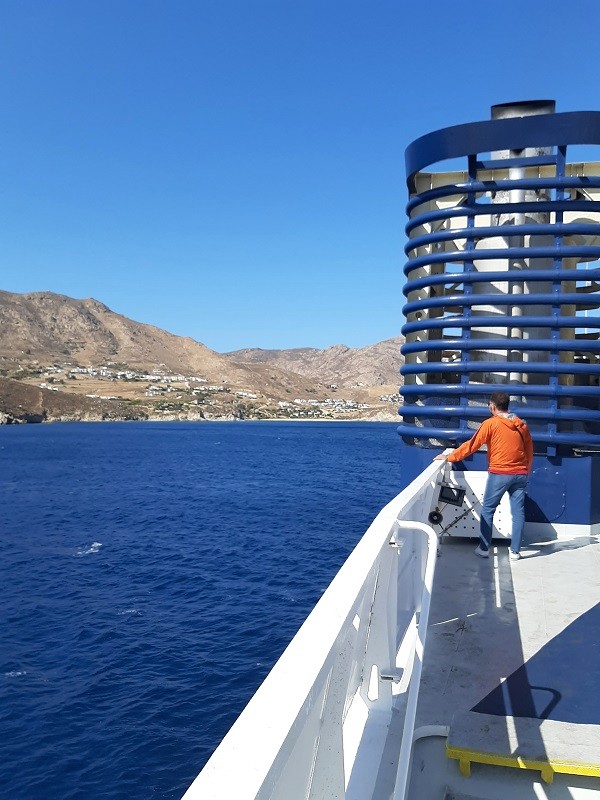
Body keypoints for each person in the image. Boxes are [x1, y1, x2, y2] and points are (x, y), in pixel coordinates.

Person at [434, 391, 533, 560]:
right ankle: (515, 551)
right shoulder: (521, 424)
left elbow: (472, 445)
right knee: (518, 513)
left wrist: (450, 457)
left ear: (492, 406)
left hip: (500, 473)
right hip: (521, 473)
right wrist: (526, 470)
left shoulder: (490, 424)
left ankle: (484, 548)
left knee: (488, 510)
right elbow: (529, 450)